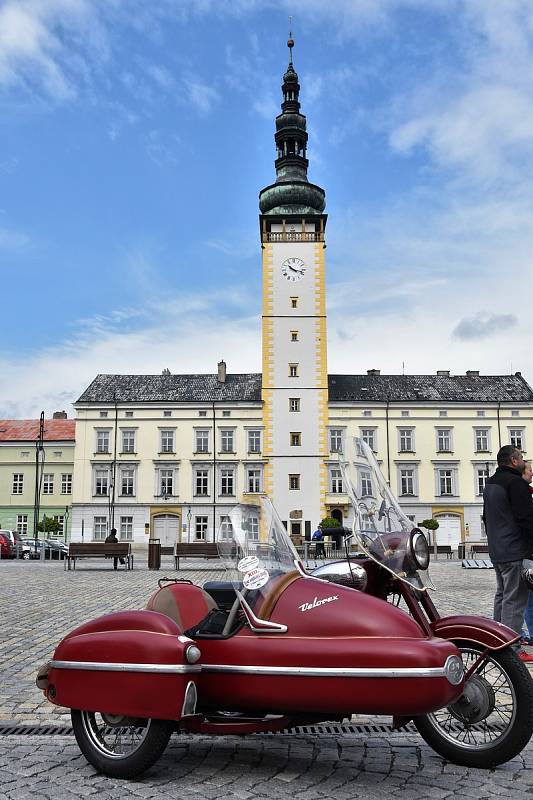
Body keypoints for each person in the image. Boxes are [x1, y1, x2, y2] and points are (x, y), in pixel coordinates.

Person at [483, 445, 533, 662]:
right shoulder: (515, 483)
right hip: (515, 549)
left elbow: (486, 518)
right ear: (514, 460)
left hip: (498, 550)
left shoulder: (490, 483)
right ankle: (509, 649)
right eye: (521, 458)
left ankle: (495, 640)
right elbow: (526, 519)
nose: (523, 461)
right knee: (515, 599)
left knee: (502, 595)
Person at [521, 461, 533, 644]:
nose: (532, 474)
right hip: (527, 552)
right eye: (530, 470)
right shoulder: (522, 494)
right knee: (529, 597)